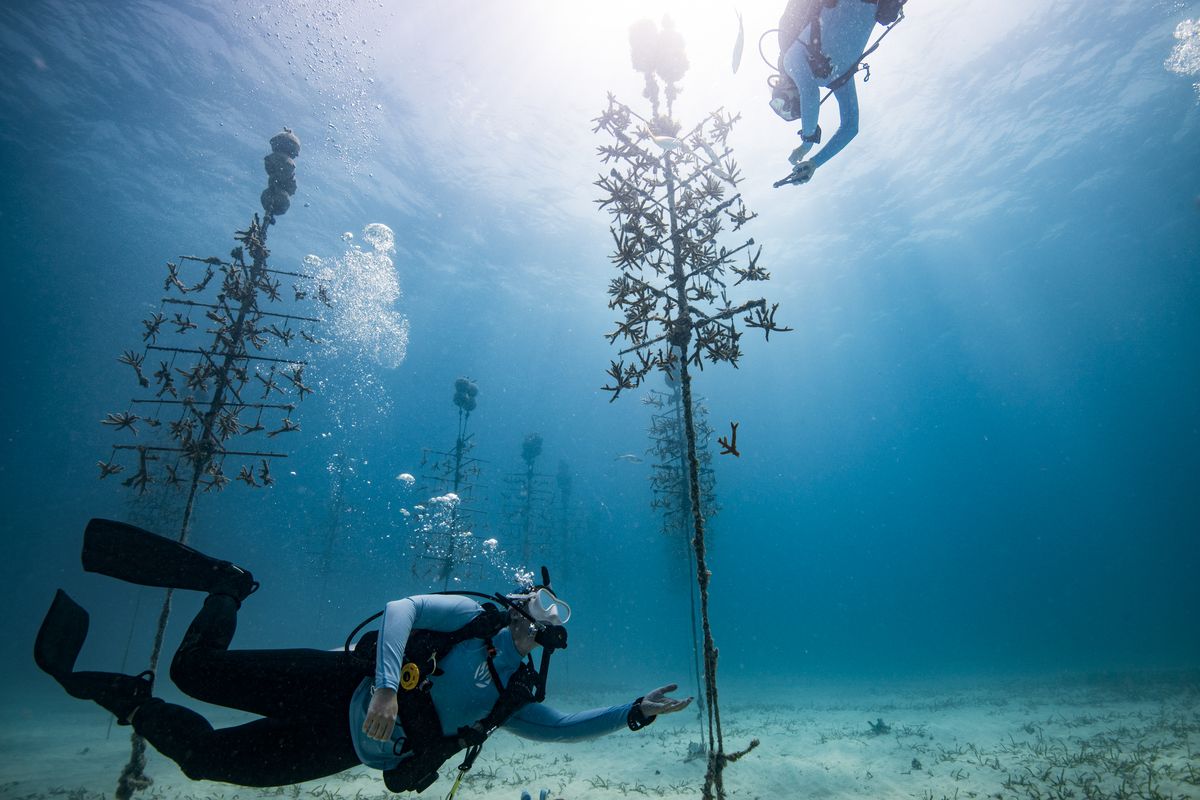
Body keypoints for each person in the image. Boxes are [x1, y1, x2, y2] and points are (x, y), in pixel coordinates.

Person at [34, 519, 692, 790]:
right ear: (520, 601)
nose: (543, 614)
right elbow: (404, 610)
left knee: (206, 762)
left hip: (345, 748)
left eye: (555, 614)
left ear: (551, 634)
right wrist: (383, 688)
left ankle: (130, 701)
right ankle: (227, 586)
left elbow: (566, 729)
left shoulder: (515, 694)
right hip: (334, 685)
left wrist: (631, 710)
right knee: (193, 671)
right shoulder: (474, 618)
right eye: (539, 601)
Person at [772, 0, 904, 187]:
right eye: (787, 112)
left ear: (779, 88)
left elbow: (810, 93)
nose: (787, 108)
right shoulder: (835, 77)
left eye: (779, 104)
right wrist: (814, 163)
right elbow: (850, 126)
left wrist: (807, 144)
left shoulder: (790, 59)